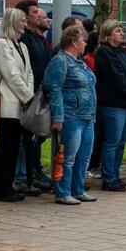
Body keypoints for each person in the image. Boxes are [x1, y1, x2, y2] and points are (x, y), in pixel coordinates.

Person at [43, 24, 98, 204]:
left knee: (84, 157)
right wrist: (58, 117)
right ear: (74, 42)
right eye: (83, 40)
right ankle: (63, 192)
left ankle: (78, 189)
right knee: (68, 157)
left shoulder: (80, 62)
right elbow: (54, 89)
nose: (85, 43)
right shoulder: (60, 61)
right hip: (71, 116)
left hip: (87, 116)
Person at [94, 19, 126, 191]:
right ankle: (109, 178)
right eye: (117, 31)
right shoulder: (104, 53)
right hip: (113, 105)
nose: (122, 33)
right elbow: (117, 77)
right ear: (108, 34)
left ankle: (115, 176)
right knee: (112, 141)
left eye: (121, 30)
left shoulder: (124, 52)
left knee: (122, 142)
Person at [0, 7, 36, 200]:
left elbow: (29, 73)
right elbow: (11, 75)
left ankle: (9, 185)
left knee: (14, 148)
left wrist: (29, 95)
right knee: (5, 148)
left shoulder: (22, 46)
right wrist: (27, 97)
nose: (25, 24)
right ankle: (0, 189)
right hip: (8, 103)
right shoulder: (2, 44)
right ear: (13, 22)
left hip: (21, 104)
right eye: (22, 21)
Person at [14, 0, 55, 195]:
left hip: (41, 93)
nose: (40, 16)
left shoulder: (40, 40)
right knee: (25, 138)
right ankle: (22, 177)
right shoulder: (25, 40)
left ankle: (34, 172)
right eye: (35, 13)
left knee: (37, 137)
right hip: (30, 95)